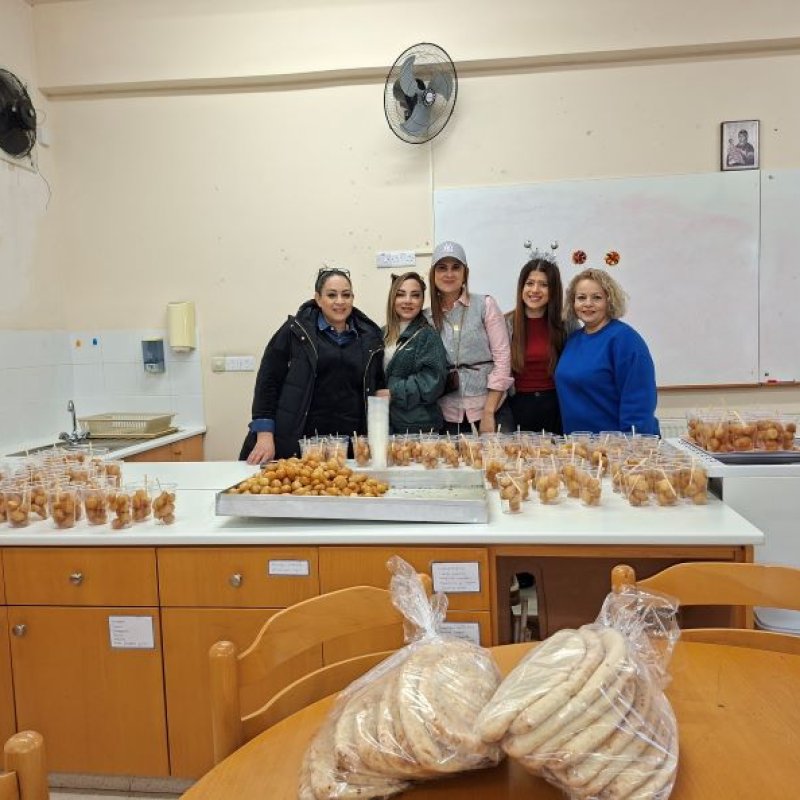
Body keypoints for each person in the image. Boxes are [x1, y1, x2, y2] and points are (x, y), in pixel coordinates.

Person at [239, 267, 388, 463]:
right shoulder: (294, 332)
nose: (340, 301)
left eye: (346, 295)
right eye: (331, 295)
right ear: (318, 298)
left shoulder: (370, 337)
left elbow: (378, 386)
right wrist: (264, 436)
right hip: (298, 443)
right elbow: (268, 383)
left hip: (346, 447)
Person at [555, 268, 660, 435]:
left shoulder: (625, 340)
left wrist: (630, 446)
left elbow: (639, 402)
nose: (588, 303)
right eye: (581, 297)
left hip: (616, 446)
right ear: (573, 302)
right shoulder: (573, 340)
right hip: (578, 445)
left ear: (609, 301)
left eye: (597, 297)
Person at [425, 241, 513, 435]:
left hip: (491, 409)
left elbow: (503, 359)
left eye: (456, 267)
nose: (449, 274)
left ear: (465, 272)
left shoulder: (485, 305)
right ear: (433, 274)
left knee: (497, 456)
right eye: (442, 268)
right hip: (446, 415)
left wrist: (489, 412)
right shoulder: (427, 317)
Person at [506, 256, 570, 434]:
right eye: (530, 283)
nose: (535, 290)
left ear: (553, 290)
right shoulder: (506, 323)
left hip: (557, 406)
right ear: (521, 287)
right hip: (516, 406)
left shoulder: (566, 324)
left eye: (544, 285)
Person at [383, 271, 449, 434]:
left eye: (415, 295)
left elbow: (433, 381)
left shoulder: (428, 335)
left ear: (422, 300)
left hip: (418, 427)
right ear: (392, 298)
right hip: (386, 424)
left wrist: (393, 393)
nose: (408, 301)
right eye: (401, 294)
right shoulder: (381, 333)